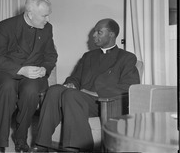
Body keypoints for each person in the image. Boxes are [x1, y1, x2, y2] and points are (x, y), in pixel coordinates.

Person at [31, 18, 140, 152]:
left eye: (99, 32)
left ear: (111, 34)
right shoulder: (88, 56)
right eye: (94, 32)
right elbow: (75, 78)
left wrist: (97, 93)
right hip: (79, 97)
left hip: (103, 102)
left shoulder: (126, 58)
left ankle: (79, 148)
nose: (94, 35)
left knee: (71, 95)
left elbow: (131, 86)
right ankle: (42, 144)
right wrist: (70, 84)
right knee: (54, 90)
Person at [0, 0, 58, 153]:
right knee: (7, 88)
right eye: (44, 15)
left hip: (31, 74)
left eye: (48, 15)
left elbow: (51, 55)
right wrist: (20, 70)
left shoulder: (47, 28)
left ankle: (20, 138)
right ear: (30, 14)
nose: (47, 19)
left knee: (31, 91)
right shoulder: (5, 26)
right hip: (5, 70)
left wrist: (44, 69)